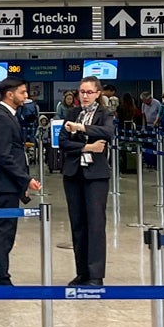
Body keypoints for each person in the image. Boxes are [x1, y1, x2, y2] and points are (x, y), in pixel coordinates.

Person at [0, 77, 41, 287]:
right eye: (23, 93)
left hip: (9, 184)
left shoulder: (9, 116)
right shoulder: (1, 118)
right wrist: (26, 179)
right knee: (4, 232)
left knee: (0, 230)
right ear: (10, 94)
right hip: (6, 185)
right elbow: (4, 155)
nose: (26, 96)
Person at [60, 77, 114, 286]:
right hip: (73, 174)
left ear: (97, 93)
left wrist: (81, 129)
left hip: (96, 176)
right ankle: (81, 271)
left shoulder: (105, 114)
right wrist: (86, 148)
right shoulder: (72, 113)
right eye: (81, 91)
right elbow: (63, 141)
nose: (84, 96)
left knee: (95, 224)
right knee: (78, 224)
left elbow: (108, 133)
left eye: (89, 92)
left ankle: (95, 274)